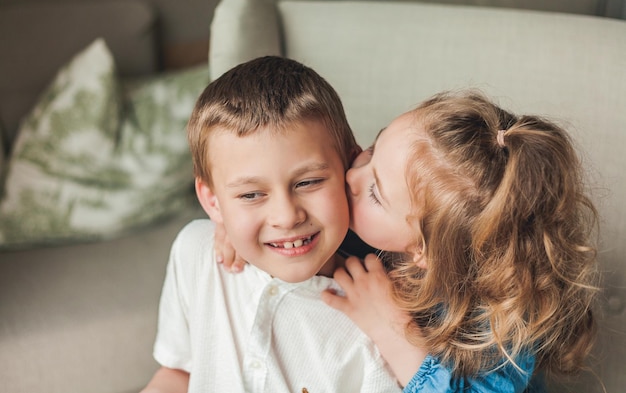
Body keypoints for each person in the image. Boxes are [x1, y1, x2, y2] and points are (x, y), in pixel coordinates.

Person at [218, 90, 600, 392]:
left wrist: (391, 328)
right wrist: (241, 223)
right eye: (373, 150)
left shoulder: (503, 320)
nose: (351, 174)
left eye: (375, 193)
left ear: (425, 251)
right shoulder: (380, 227)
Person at [140, 56, 402, 393]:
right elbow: (179, 373)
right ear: (213, 201)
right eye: (251, 195)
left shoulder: (379, 317)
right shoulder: (195, 252)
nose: (286, 216)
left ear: (349, 168)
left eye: (307, 182)